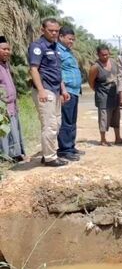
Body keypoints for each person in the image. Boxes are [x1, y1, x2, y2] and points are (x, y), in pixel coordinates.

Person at [28, 18, 70, 167]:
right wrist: (41, 91)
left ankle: (47, 154)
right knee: (49, 124)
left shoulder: (55, 47)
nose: (54, 33)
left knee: (56, 123)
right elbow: (33, 69)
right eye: (51, 30)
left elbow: (56, 71)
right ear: (42, 30)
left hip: (55, 90)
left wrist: (63, 89)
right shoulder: (37, 46)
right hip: (45, 89)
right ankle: (50, 158)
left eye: (57, 31)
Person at [88, 44, 122, 146]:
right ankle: (103, 139)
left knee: (116, 116)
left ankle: (118, 138)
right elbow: (91, 83)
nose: (105, 57)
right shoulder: (95, 67)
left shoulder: (114, 62)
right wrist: (99, 92)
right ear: (98, 55)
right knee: (104, 118)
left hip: (115, 94)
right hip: (103, 96)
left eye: (107, 54)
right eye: (103, 55)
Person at [56, 26, 83, 161]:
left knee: (72, 121)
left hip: (74, 91)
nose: (72, 41)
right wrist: (62, 91)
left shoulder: (68, 52)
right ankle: (64, 150)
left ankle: (71, 146)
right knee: (66, 121)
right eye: (69, 39)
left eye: (73, 39)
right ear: (61, 37)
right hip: (66, 91)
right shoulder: (56, 51)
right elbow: (57, 72)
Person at [0, 36, 25, 162]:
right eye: (4, 49)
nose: (7, 52)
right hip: (2, 108)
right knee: (5, 133)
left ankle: (15, 154)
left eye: (8, 49)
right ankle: (6, 157)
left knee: (14, 131)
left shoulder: (6, 65)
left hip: (12, 106)